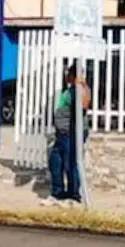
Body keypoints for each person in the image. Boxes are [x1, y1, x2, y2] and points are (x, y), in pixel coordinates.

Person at [43, 62, 90, 206]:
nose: (66, 77)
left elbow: (84, 105)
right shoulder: (69, 90)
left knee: (71, 163)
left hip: (71, 133)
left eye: (68, 74)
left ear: (73, 76)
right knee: (55, 160)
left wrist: (80, 84)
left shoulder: (80, 89)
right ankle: (58, 193)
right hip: (62, 133)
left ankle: (74, 195)